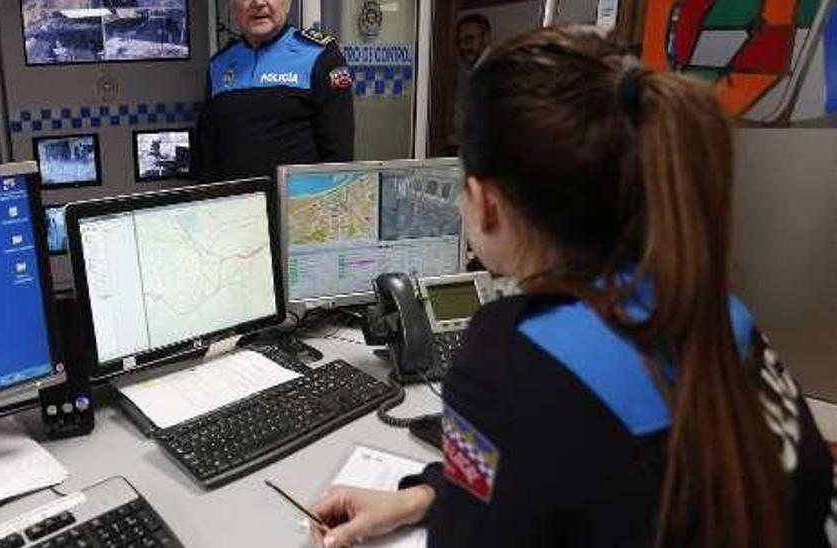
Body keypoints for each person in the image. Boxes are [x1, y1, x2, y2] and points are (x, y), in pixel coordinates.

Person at [309, 26, 835, 548]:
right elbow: (603, 481)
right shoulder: (714, 306)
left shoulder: (508, 361)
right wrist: (423, 495)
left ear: (484, 203)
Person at [194, 0, 354, 182]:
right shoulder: (219, 64)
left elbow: (339, 156)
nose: (258, 3)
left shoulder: (320, 56)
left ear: (287, 3)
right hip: (235, 206)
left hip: (298, 204)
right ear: (232, 6)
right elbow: (206, 154)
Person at [449, 14, 491, 153]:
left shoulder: (494, 70)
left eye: (469, 39)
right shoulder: (471, 72)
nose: (463, 47)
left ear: (486, 38)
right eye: (459, 41)